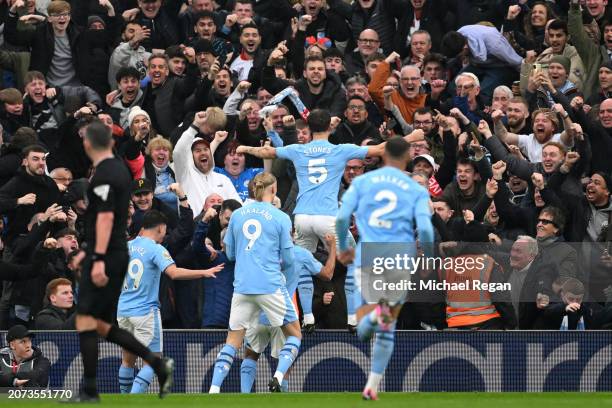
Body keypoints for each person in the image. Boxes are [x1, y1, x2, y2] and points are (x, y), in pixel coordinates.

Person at [71, 121, 173, 402]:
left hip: (109, 254)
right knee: (101, 325)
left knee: (87, 319)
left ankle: (89, 389)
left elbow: (105, 218)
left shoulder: (105, 174)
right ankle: (156, 363)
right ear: (112, 143)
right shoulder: (116, 169)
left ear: (87, 145)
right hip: (110, 250)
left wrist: (98, 257)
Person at [335, 136, 434, 400]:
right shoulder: (415, 188)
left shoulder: (363, 182)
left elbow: (343, 216)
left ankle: (373, 317)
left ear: (384, 155)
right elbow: (425, 228)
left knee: (363, 329)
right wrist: (430, 257)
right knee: (388, 327)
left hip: (369, 254)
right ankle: (373, 385)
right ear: (407, 157)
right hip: (401, 256)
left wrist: (343, 247)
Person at [208, 172, 300, 393]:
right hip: (270, 285)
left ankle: (213, 390)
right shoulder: (280, 217)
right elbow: (288, 260)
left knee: (233, 341)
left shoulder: (238, 215)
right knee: (295, 335)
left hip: (242, 286)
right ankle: (278, 377)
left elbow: (229, 253)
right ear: (274, 190)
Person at [117, 210, 222, 394]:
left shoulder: (126, 247)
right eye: (165, 230)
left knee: (127, 360)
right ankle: (132, 401)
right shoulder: (156, 249)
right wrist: (203, 272)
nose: (165, 234)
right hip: (145, 311)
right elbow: (174, 273)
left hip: (123, 311)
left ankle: (124, 398)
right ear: (160, 228)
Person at [240, 235, 336, 393]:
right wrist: (332, 247)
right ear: (290, 234)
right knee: (286, 364)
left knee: (250, 355)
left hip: (258, 312)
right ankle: (279, 387)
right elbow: (327, 274)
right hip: (282, 314)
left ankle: (244, 397)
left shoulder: (258, 252)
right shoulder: (300, 253)